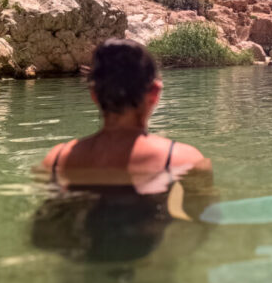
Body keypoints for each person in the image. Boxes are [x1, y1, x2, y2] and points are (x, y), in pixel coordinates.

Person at [33, 38, 213, 262]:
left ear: (94, 95)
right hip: (151, 271)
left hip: (85, 269)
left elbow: (44, 234)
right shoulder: (183, 159)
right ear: (155, 93)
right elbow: (201, 226)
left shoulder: (57, 160)